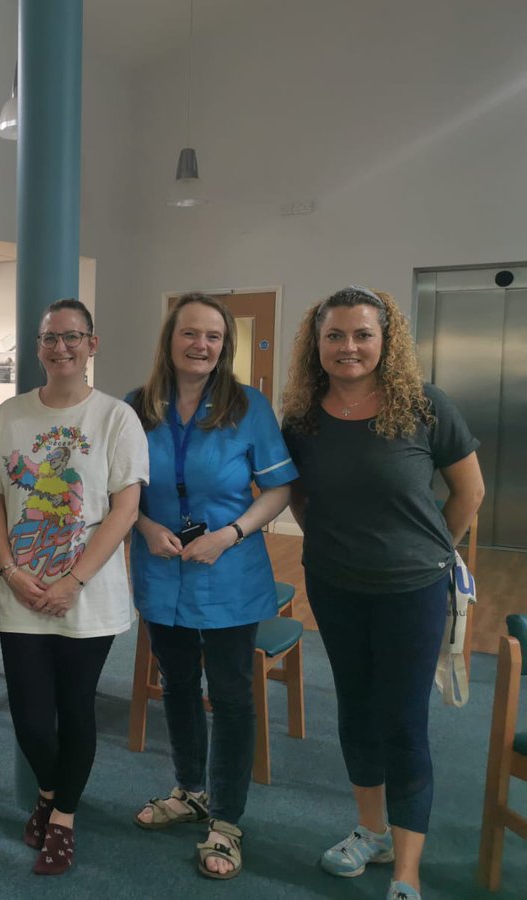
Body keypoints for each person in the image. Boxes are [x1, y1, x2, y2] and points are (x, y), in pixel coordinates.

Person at [281, 286, 484, 900]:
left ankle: (407, 871)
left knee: (402, 723)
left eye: (362, 334)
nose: (349, 347)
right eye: (335, 336)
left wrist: (426, 551)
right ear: (316, 346)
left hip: (412, 591)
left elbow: (469, 493)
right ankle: (371, 833)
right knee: (355, 712)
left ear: (385, 340)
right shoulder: (302, 417)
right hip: (336, 585)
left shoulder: (425, 406)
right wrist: (333, 545)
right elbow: (299, 497)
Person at [0, 298, 148, 875]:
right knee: (29, 715)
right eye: (50, 338)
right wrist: (10, 571)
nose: (61, 347)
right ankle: (50, 791)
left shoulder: (116, 418)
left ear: (92, 346)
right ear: (39, 347)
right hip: (21, 589)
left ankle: (63, 818)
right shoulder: (12, 415)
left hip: (88, 593)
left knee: (76, 709)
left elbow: (124, 510)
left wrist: (72, 580)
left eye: (73, 337)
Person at [127, 293, 296, 880]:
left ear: (226, 346)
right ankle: (190, 789)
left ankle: (226, 818)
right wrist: (144, 526)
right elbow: (118, 491)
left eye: (214, 337)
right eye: (190, 333)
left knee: (230, 695)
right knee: (175, 684)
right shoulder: (137, 406)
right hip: (159, 567)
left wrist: (230, 533)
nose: (202, 345)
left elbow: (278, 490)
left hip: (228, 571)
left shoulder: (247, 406)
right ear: (169, 340)